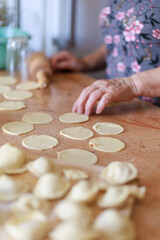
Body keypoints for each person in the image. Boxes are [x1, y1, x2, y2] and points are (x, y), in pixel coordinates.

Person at [51, 1, 160, 115]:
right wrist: (86, 62)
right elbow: (120, 39)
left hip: (153, 111)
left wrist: (132, 84)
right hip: (119, 108)